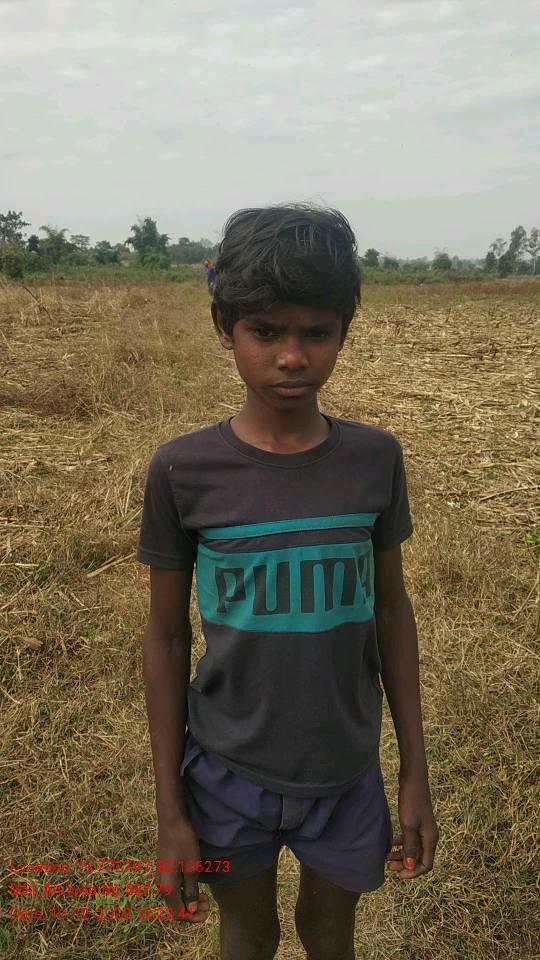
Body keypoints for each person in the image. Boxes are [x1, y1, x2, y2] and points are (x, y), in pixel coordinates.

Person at [138, 204, 439, 960]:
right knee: (248, 933)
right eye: (266, 331)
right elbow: (166, 639)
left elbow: (392, 614)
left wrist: (414, 773)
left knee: (330, 933)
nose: (292, 357)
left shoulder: (374, 460)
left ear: (345, 330)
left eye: (318, 332)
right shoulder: (183, 471)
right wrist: (171, 811)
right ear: (225, 327)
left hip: (345, 769)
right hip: (224, 770)